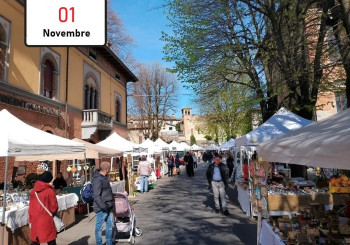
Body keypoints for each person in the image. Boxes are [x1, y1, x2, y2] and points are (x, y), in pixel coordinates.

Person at [29, 163, 58, 245]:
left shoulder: (33, 191)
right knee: (51, 240)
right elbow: (54, 207)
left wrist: (31, 220)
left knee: (36, 240)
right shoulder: (49, 191)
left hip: (35, 219)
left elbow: (30, 209)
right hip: (46, 219)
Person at [92, 161, 114, 245]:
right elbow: (96, 196)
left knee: (110, 226)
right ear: (106, 169)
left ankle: (109, 243)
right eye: (109, 169)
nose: (109, 170)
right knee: (99, 227)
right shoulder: (98, 179)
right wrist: (103, 206)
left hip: (108, 205)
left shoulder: (104, 177)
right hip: (102, 208)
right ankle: (99, 243)